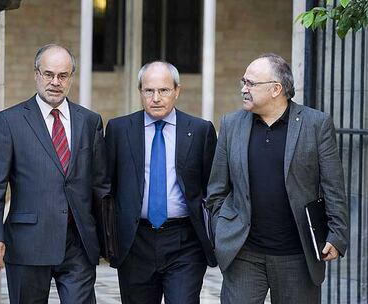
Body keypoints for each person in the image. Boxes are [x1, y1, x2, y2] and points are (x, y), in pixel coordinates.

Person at [207, 53, 349, 304]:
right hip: (244, 254)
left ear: (276, 89)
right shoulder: (231, 124)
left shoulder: (316, 124)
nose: (244, 89)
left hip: (297, 255)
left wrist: (337, 235)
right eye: (243, 82)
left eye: (251, 83)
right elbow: (217, 189)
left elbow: (333, 187)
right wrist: (221, 229)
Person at [0, 44, 109, 303]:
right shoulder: (9, 122)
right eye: (48, 74)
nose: (55, 82)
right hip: (28, 243)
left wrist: (106, 241)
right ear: (36, 74)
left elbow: (100, 185)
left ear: (71, 77)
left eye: (62, 75)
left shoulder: (90, 121)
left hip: (78, 244)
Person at [105, 61, 217, 303]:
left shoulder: (200, 131)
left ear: (177, 91)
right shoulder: (118, 130)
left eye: (164, 90)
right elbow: (106, 187)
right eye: (149, 91)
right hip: (135, 242)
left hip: (185, 242)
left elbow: (213, 188)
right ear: (140, 92)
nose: (156, 98)